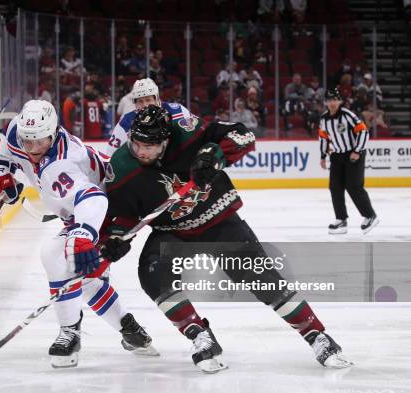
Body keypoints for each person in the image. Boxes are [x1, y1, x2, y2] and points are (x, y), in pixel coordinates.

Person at [99, 105, 352, 373]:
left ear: (166, 140)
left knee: (264, 281)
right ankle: (199, 336)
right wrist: (117, 237)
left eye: (149, 146)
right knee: (152, 275)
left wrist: (214, 155)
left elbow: (242, 136)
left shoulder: (187, 133)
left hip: (218, 221)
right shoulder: (121, 166)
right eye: (136, 143)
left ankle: (317, 337)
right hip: (172, 232)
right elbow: (124, 212)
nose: (141, 151)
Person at [0, 100, 158, 368]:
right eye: (27, 141)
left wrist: (83, 235)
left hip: (108, 208)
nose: (31, 149)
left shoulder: (62, 162)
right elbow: (7, 153)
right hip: (76, 212)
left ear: (53, 133)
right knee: (87, 279)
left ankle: (70, 333)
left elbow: (93, 198)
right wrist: (2, 171)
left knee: (58, 257)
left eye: (39, 143)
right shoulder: (17, 132)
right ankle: (130, 329)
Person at [319, 89, 378, 234]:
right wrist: (322, 156)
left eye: (335, 100)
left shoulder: (348, 115)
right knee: (335, 187)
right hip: (337, 156)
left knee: (353, 186)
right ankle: (341, 220)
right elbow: (323, 138)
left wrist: (357, 151)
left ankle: (370, 215)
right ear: (326, 102)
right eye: (329, 100)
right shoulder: (324, 119)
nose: (332, 103)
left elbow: (363, 131)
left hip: (353, 154)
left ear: (339, 101)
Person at [105, 78, 191, 155]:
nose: (145, 105)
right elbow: (111, 153)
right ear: (135, 103)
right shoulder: (127, 121)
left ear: (157, 99)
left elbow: (191, 139)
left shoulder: (177, 111)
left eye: (148, 100)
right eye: (140, 101)